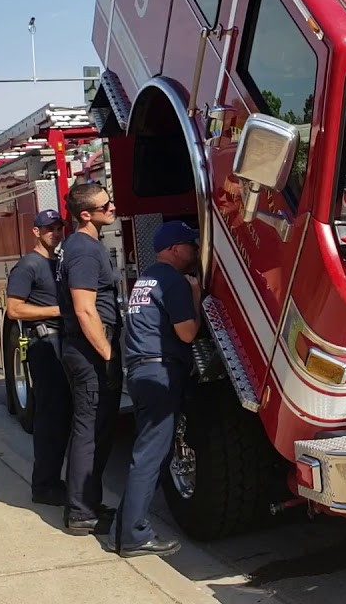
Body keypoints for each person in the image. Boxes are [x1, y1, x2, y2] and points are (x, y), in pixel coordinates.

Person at [108, 220, 202, 558]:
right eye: (190, 245)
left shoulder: (145, 279)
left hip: (140, 371)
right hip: (160, 372)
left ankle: (120, 529)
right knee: (149, 457)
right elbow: (188, 333)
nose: (195, 251)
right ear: (175, 249)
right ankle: (133, 536)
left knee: (148, 454)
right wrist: (195, 295)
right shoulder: (174, 282)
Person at [56, 182, 123, 535]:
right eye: (105, 205)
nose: (112, 208)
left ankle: (89, 504)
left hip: (87, 348)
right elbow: (85, 310)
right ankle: (81, 512)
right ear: (86, 214)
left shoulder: (82, 245)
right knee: (89, 430)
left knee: (99, 429)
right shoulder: (82, 250)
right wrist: (109, 355)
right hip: (89, 350)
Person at [4, 209, 70, 506]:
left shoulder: (58, 262)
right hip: (43, 344)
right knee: (50, 418)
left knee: (62, 417)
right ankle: (44, 486)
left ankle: (55, 481)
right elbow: (15, 310)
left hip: (62, 342)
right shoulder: (28, 266)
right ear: (36, 232)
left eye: (58, 227)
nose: (54, 233)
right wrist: (59, 312)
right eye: (48, 229)